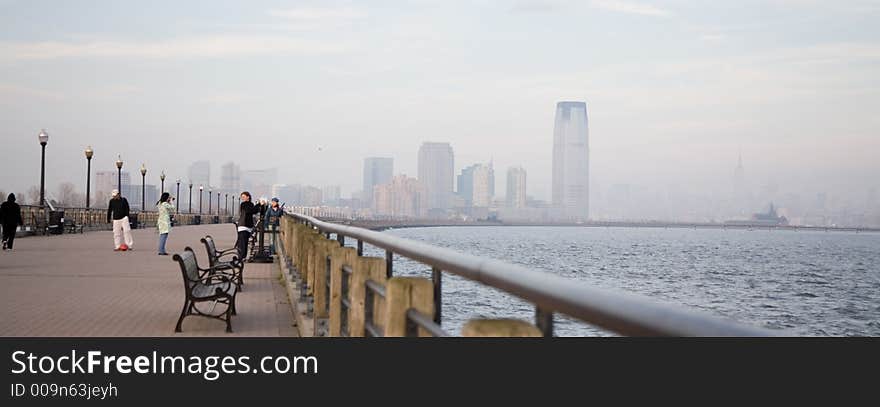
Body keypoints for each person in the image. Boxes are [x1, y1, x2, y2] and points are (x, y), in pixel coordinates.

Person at [236, 191, 265, 260]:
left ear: (248, 197)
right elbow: (249, 211)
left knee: (245, 243)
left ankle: (243, 257)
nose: (242, 198)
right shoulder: (243, 204)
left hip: (248, 226)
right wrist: (258, 204)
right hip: (243, 226)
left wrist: (261, 205)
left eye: (243, 197)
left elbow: (254, 211)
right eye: (242, 197)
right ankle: (241, 257)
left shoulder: (251, 204)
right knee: (242, 243)